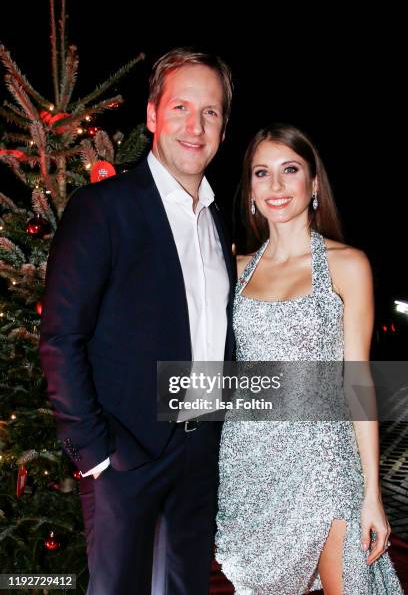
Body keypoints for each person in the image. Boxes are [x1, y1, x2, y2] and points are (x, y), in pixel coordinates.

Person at [39, 48, 235, 595]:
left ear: (223, 125)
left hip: (200, 453)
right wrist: (95, 454)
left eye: (211, 112)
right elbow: (60, 337)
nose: (195, 127)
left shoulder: (218, 221)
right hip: (124, 459)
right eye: (180, 108)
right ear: (152, 115)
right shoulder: (103, 208)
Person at [215, 124, 403, 594]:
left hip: (327, 460)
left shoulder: (348, 265)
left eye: (290, 170)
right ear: (250, 189)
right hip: (251, 465)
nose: (276, 186)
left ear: (313, 184)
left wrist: (373, 494)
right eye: (262, 173)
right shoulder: (231, 270)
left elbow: (357, 380)